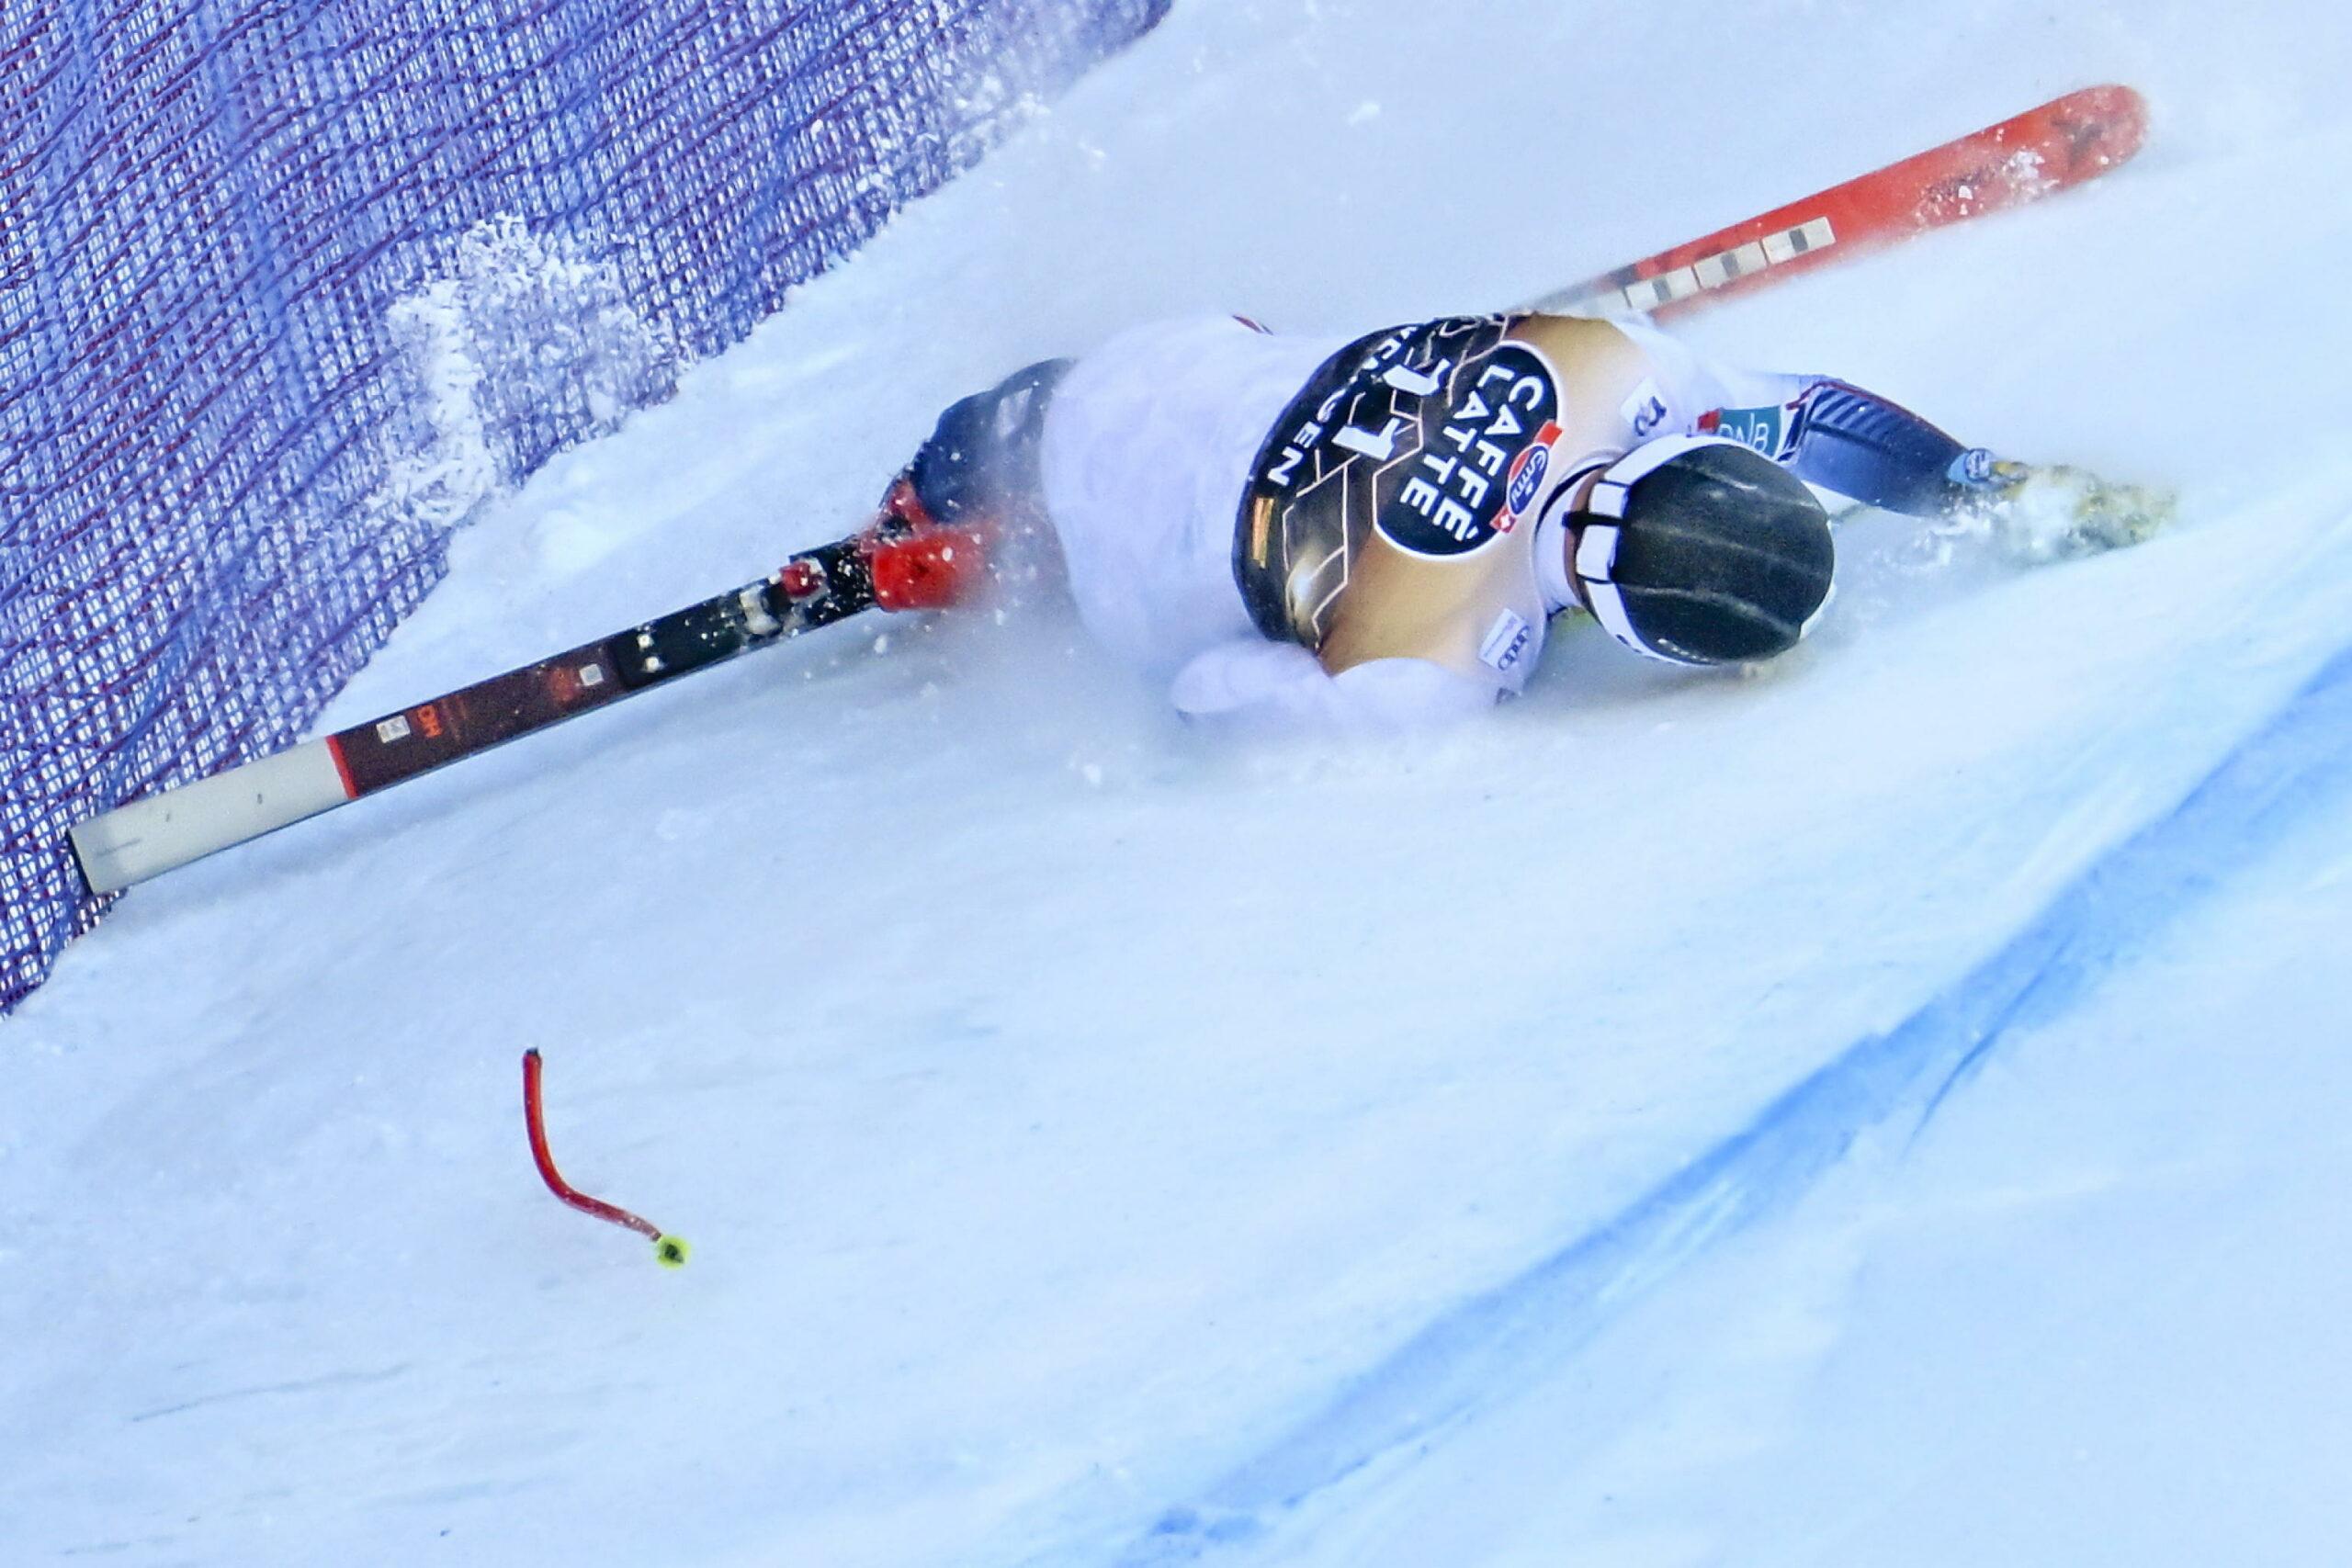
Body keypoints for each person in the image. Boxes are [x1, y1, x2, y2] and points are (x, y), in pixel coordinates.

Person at [862, 311, 2167, 728]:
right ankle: (925, 528)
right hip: (1107, 522)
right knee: (1127, 566)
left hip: (1195, 344)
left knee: (1050, 419)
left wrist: (1978, 478)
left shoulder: (1618, 367)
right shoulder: (1434, 666)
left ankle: (947, 482)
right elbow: (1208, 696)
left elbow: (1814, 415)